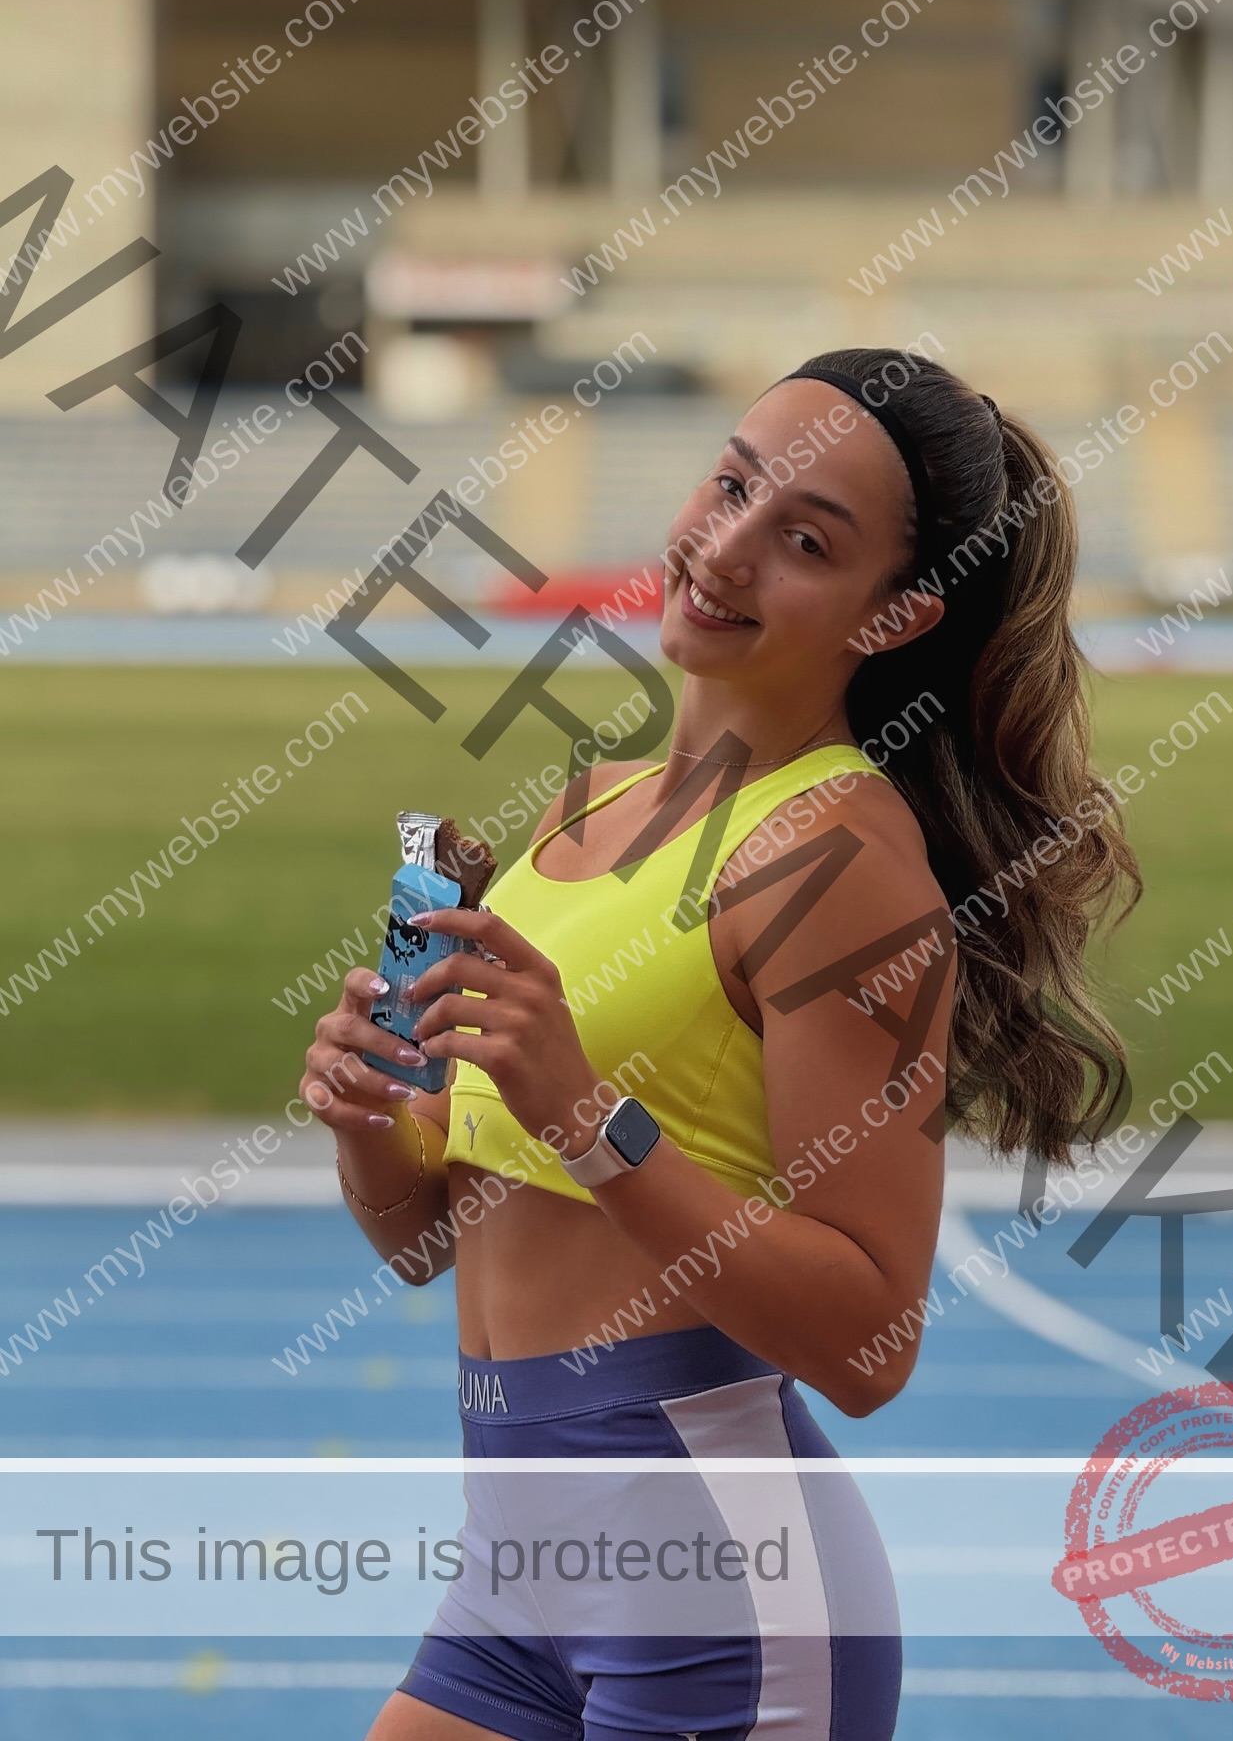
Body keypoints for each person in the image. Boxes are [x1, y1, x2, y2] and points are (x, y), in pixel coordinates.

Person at [300, 349, 1139, 1740]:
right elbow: (429, 1243)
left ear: (901, 612)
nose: (725, 547)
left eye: (805, 539)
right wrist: (369, 1121)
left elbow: (871, 1341)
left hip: (719, 1602)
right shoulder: (582, 815)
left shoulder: (835, 860)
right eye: (733, 484)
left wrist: (587, 1115)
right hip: (517, 1577)